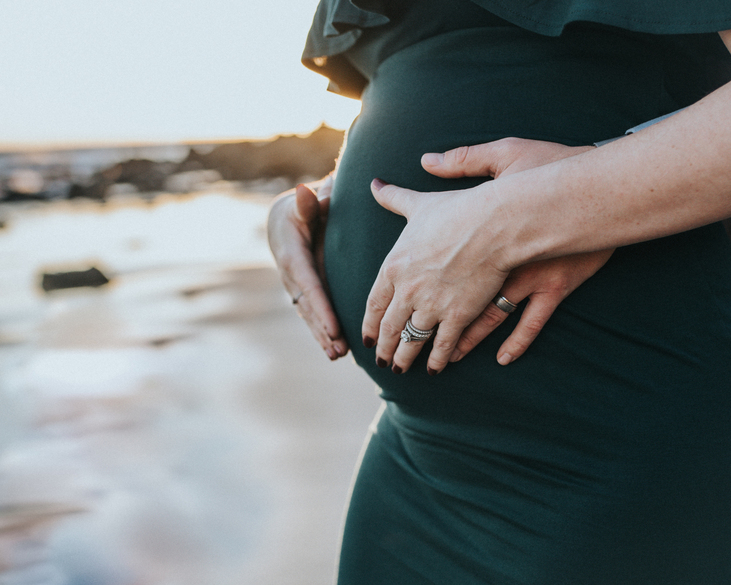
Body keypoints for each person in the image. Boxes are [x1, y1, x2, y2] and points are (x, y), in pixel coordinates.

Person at [268, 1, 731, 583]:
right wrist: (320, 203)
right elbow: (453, 77)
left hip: (610, 441)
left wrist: (533, 216)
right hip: (418, 454)